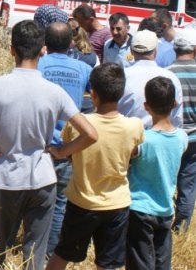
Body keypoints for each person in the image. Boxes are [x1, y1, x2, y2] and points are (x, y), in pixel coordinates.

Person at [0, 20, 97, 270]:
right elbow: (90, 134)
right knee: (34, 254)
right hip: (42, 179)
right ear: (42, 50)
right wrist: (62, 151)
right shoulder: (54, 92)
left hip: (4, 179)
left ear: (11, 50)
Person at [46, 63, 144, 270]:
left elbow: (70, 155)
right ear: (121, 92)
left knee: (62, 253)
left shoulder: (78, 124)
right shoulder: (134, 126)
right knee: (107, 263)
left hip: (82, 201)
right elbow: (132, 154)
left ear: (94, 93)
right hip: (117, 204)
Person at [38, 22, 93, 257]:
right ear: (71, 42)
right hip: (68, 147)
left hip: (39, 146)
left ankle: (33, 249)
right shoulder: (83, 69)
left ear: (45, 44)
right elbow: (93, 101)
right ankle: (51, 251)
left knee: (34, 202)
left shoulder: (36, 65)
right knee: (60, 203)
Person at [126, 77, 187, 270]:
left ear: (146, 106)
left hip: (140, 208)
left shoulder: (143, 139)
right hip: (166, 208)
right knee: (162, 263)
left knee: (140, 263)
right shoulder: (182, 138)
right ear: (175, 103)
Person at [117, 29, 183, 129]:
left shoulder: (122, 76)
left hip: (128, 138)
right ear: (155, 51)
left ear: (131, 51)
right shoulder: (170, 77)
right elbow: (177, 118)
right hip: (161, 139)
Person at [167, 28, 196, 232]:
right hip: (194, 137)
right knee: (188, 185)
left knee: (167, 183)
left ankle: (162, 223)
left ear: (175, 48)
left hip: (171, 136)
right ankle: (181, 230)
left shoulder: (167, 73)